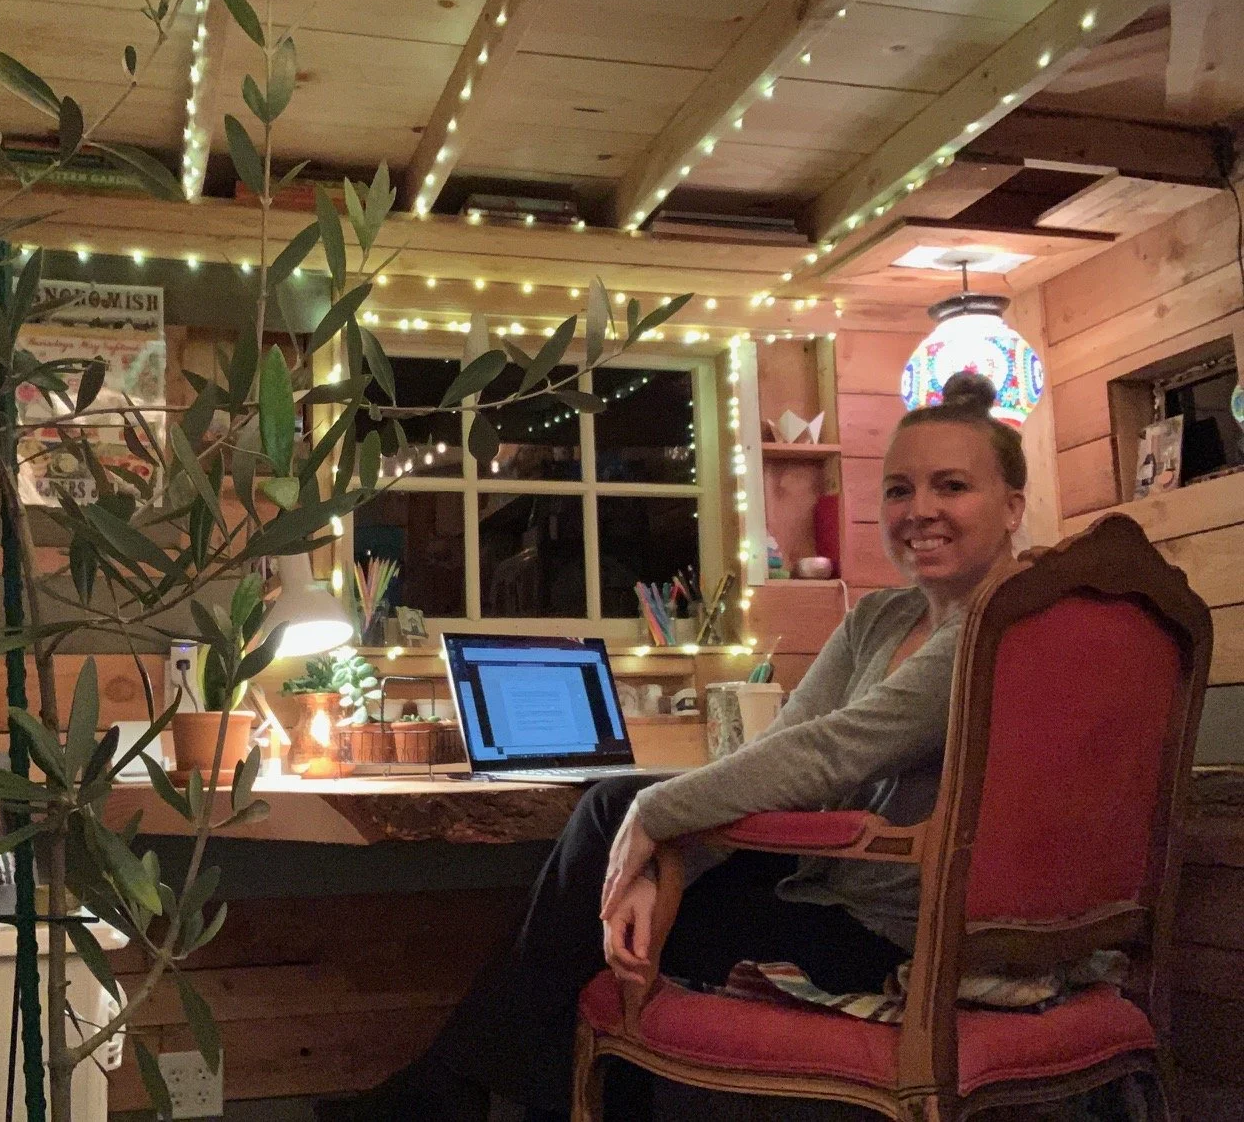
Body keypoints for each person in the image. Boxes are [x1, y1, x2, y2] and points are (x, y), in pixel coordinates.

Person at [321, 371, 1028, 1121]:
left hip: (896, 933)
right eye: (898, 490)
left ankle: (454, 1092)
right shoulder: (878, 620)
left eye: (952, 486)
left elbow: (832, 755)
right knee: (612, 863)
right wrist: (666, 864)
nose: (920, 510)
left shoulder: (1003, 627)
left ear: (1013, 507)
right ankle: (469, 1092)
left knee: (604, 878)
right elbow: (787, 749)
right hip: (826, 883)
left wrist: (656, 819)